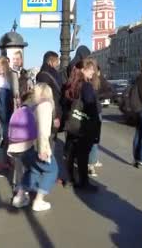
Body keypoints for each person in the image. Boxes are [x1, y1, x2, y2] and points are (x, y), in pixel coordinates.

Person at [10, 83, 58, 211]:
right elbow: (43, 131)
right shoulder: (45, 105)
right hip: (34, 147)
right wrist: (43, 150)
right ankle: (39, 200)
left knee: (33, 171)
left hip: (19, 147)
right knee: (52, 170)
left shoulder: (29, 105)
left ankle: (19, 198)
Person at [63, 58, 101, 192]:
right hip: (84, 125)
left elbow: (66, 103)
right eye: (91, 69)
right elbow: (91, 106)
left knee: (72, 152)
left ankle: (70, 179)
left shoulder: (71, 83)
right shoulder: (86, 86)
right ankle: (84, 182)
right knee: (83, 155)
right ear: (84, 70)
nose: (94, 72)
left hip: (73, 123)